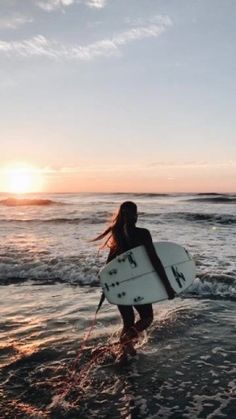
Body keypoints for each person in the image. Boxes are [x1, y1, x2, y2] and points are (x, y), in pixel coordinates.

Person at [93, 201, 175, 362]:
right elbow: (154, 261)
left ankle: (122, 355)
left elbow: (109, 265)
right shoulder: (143, 233)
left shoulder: (117, 233)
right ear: (136, 215)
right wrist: (167, 286)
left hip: (120, 285)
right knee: (147, 318)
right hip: (137, 285)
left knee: (128, 321)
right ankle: (127, 339)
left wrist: (107, 287)